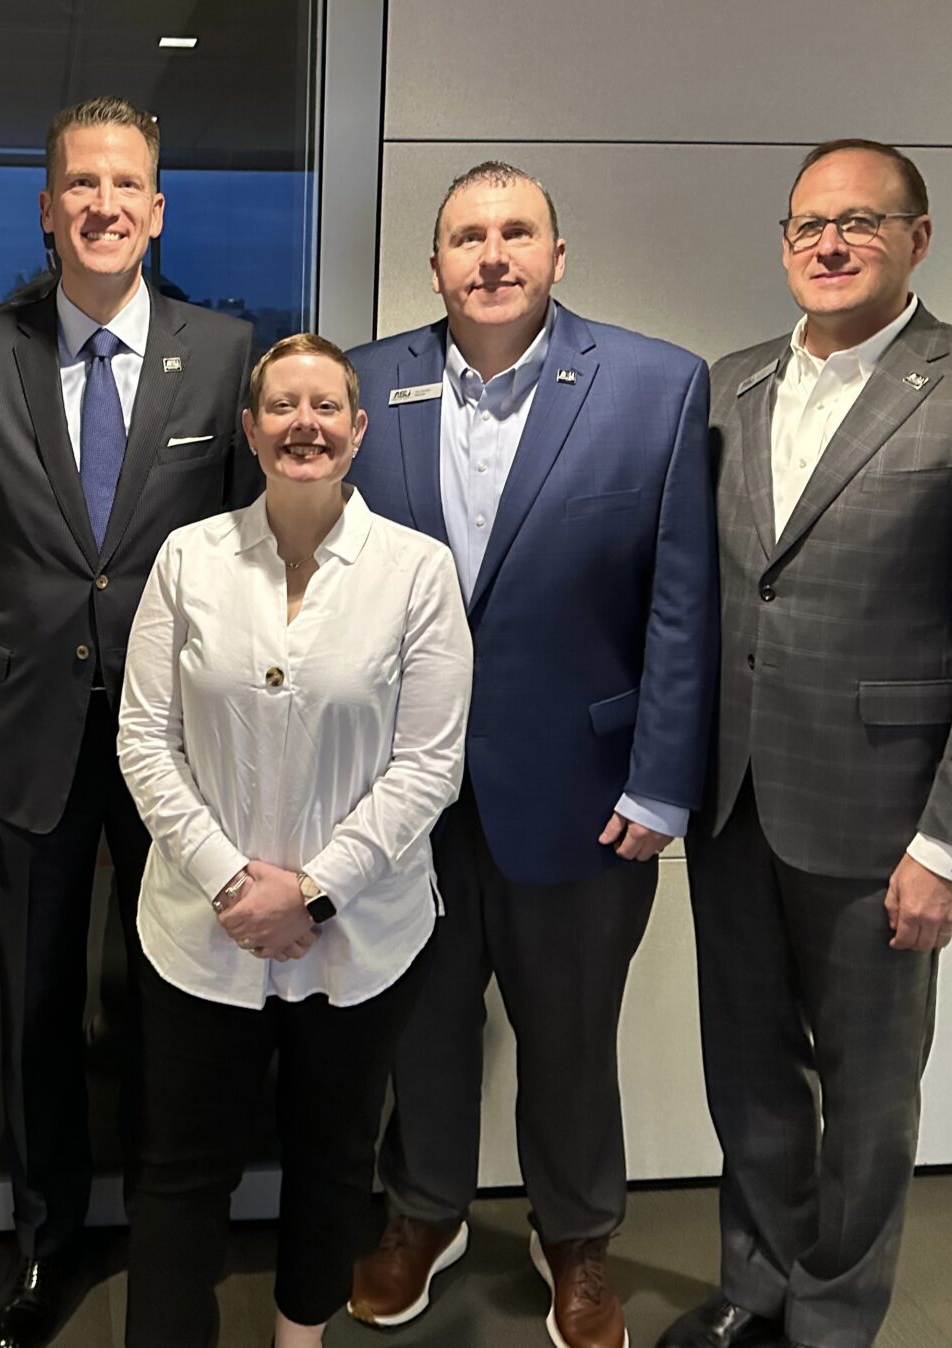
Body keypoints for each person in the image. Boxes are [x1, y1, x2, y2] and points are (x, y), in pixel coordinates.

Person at [660, 139, 952, 1348]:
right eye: (806, 226)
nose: (828, 244)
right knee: (745, 1074)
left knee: (869, 1096)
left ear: (916, 238)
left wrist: (950, 847)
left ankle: (835, 1316)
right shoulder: (728, 385)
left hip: (884, 817)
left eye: (858, 222)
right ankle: (756, 1286)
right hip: (732, 800)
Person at [344, 161, 717, 1348]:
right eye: (466, 236)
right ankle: (424, 1210)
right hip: (403, 794)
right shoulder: (361, 386)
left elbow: (680, 604)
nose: (490, 255)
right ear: (435, 262)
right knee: (422, 1025)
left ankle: (577, 1241)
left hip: (583, 789)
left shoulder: (653, 386)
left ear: (559, 254)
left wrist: (662, 776)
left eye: (516, 234)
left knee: (568, 1033)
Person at [0, 96, 256, 1348]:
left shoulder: (225, 354)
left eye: (126, 186)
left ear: (156, 212)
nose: (103, 205)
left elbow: (248, 553)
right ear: (48, 207)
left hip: (183, 749)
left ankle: (173, 1242)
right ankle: (45, 1244)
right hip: (20, 742)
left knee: (178, 1003)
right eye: (80, 185)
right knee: (37, 1009)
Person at [116, 334, 469, 1348]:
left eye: (324, 406)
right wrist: (234, 883)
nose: (302, 423)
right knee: (181, 1164)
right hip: (198, 926)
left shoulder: (415, 572)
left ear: (356, 431)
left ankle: (297, 1334)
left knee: (329, 1150)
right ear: (250, 429)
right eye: (281, 406)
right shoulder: (190, 558)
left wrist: (312, 891)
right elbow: (143, 737)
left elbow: (427, 766)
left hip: (358, 933)